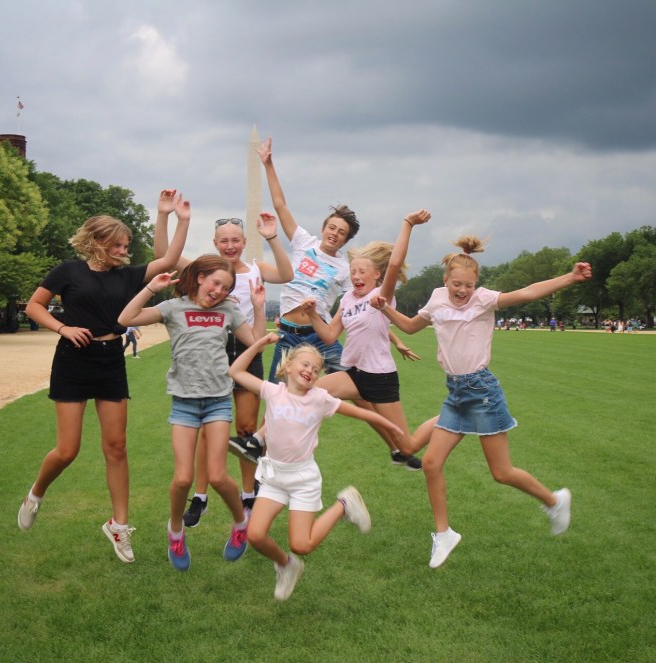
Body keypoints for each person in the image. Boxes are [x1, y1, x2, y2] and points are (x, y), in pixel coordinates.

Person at [371, 234, 592, 569]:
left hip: (482, 392)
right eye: (457, 284)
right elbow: (412, 327)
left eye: (468, 285)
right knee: (430, 463)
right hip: (456, 394)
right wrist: (385, 309)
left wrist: (570, 277)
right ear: (445, 280)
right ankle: (444, 534)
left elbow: (528, 292)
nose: (462, 291)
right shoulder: (437, 299)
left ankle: (554, 500)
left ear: (476, 284)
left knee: (501, 472)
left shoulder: (484, 299)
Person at [18, 190, 191, 564]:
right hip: (73, 360)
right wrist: (63, 328)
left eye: (126, 245)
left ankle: (119, 525)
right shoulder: (68, 271)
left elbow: (169, 259)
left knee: (117, 447)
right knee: (68, 450)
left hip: (111, 360)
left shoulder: (127, 276)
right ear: (97, 241)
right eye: (117, 245)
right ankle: (36, 493)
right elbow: (34, 305)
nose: (124, 251)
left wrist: (176, 218)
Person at [241, 136, 422, 469]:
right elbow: (280, 205)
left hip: (321, 337)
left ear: (346, 240)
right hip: (288, 335)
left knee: (363, 394)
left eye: (341, 232)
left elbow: (365, 310)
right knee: (280, 399)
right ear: (323, 228)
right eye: (332, 227)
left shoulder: (345, 269)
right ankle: (261, 451)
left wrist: (394, 339)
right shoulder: (303, 242)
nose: (334, 233)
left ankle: (398, 449)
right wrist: (268, 164)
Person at [228, 333, 405, 601]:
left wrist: (388, 423)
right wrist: (260, 344)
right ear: (288, 366)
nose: (310, 371)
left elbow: (359, 411)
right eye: (305, 365)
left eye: (316, 369)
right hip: (274, 477)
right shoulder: (273, 391)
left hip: (303, 479)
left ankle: (344, 504)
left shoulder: (320, 398)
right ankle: (287, 565)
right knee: (255, 535)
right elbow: (236, 371)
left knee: (302, 544)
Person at [118, 255, 267, 571]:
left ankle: (240, 523)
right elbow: (125, 318)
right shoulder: (174, 308)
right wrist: (151, 288)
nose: (219, 291)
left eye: (226, 288)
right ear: (200, 277)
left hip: (217, 401)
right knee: (183, 478)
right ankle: (175, 530)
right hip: (184, 404)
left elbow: (257, 343)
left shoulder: (228, 311)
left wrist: (257, 306)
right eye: (216, 283)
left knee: (218, 476)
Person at [154, 204, 293, 528]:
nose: (230, 246)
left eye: (235, 240)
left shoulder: (256, 269)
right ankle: (200, 497)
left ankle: (248, 494)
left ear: (244, 241)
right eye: (224, 241)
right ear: (215, 243)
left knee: (245, 430)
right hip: (212, 350)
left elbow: (287, 275)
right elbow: (164, 255)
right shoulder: (205, 270)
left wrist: (272, 238)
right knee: (208, 427)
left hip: (247, 348)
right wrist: (168, 217)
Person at [300, 210, 439, 464]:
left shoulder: (380, 295)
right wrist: (312, 315)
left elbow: (394, 264)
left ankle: (452, 416)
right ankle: (277, 447)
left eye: (362, 272)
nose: (356, 277)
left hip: (380, 378)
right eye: (353, 272)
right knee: (305, 391)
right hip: (354, 374)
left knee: (407, 446)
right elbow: (329, 335)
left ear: (377, 275)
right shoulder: (347, 299)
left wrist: (408, 223)